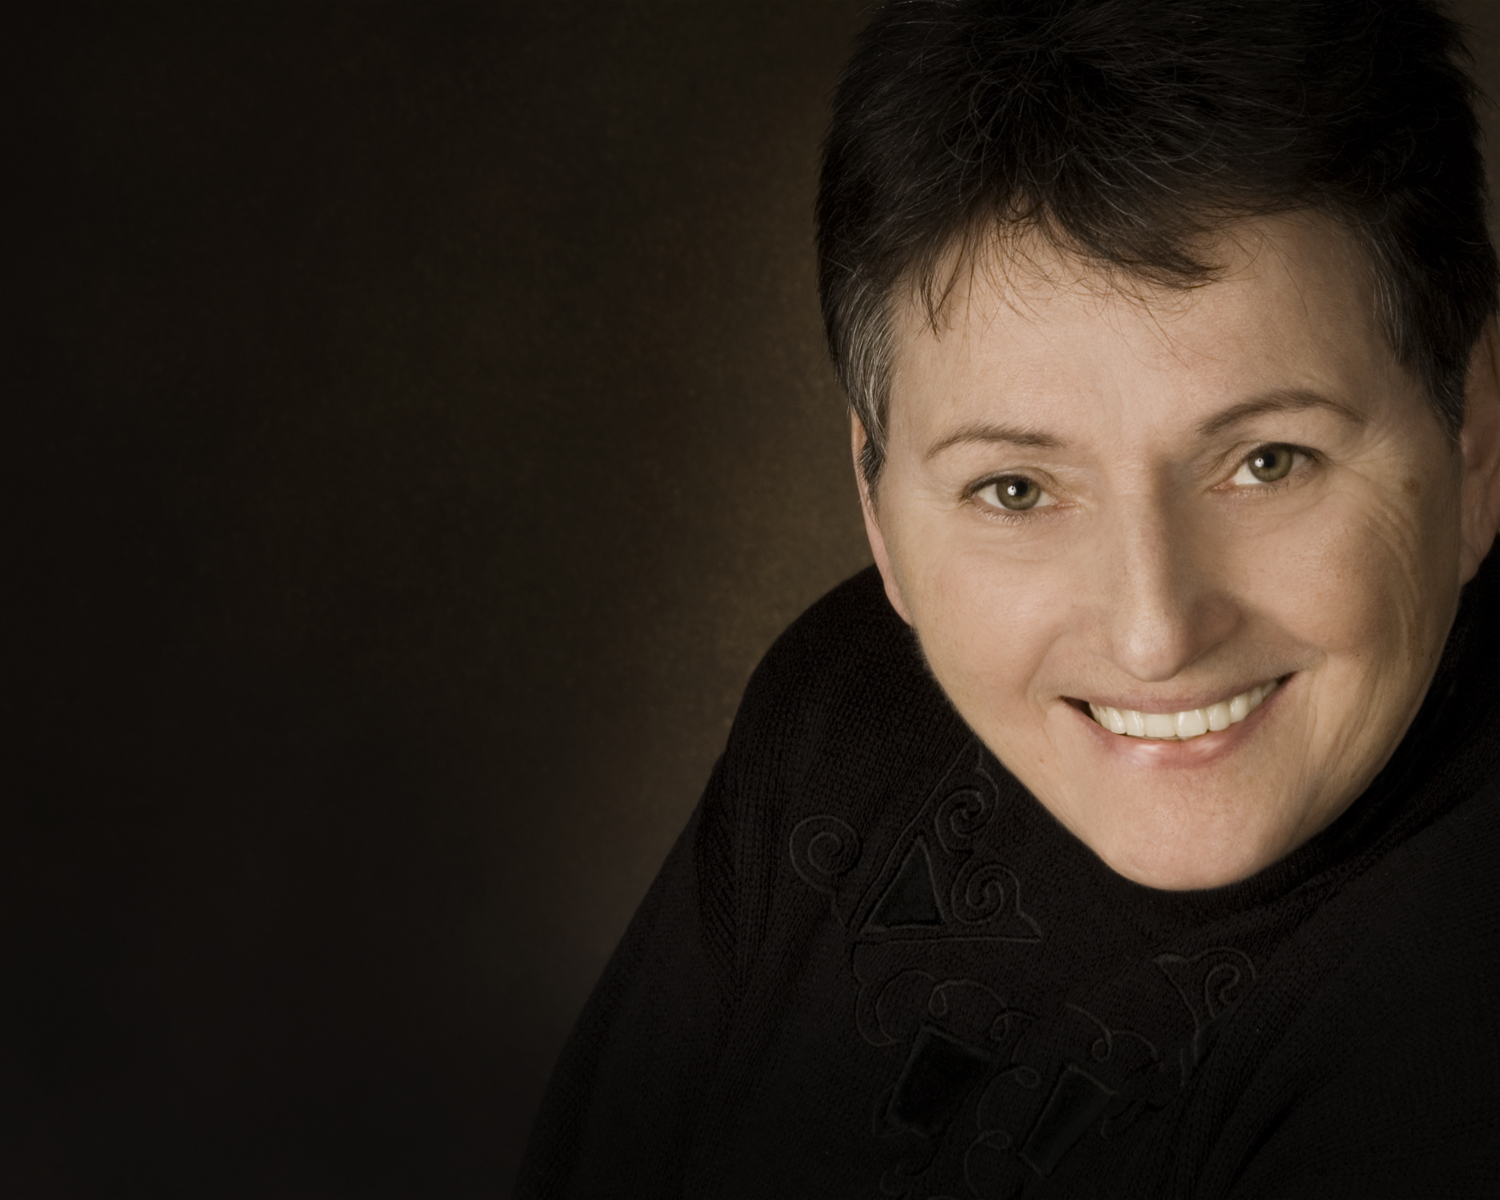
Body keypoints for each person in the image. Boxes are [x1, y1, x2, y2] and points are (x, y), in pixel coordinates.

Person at [516, 0, 1500, 1194]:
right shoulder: (847, 713)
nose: (1153, 633)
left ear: (1474, 436)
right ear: (878, 498)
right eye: (1017, 489)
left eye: (1267, 462)